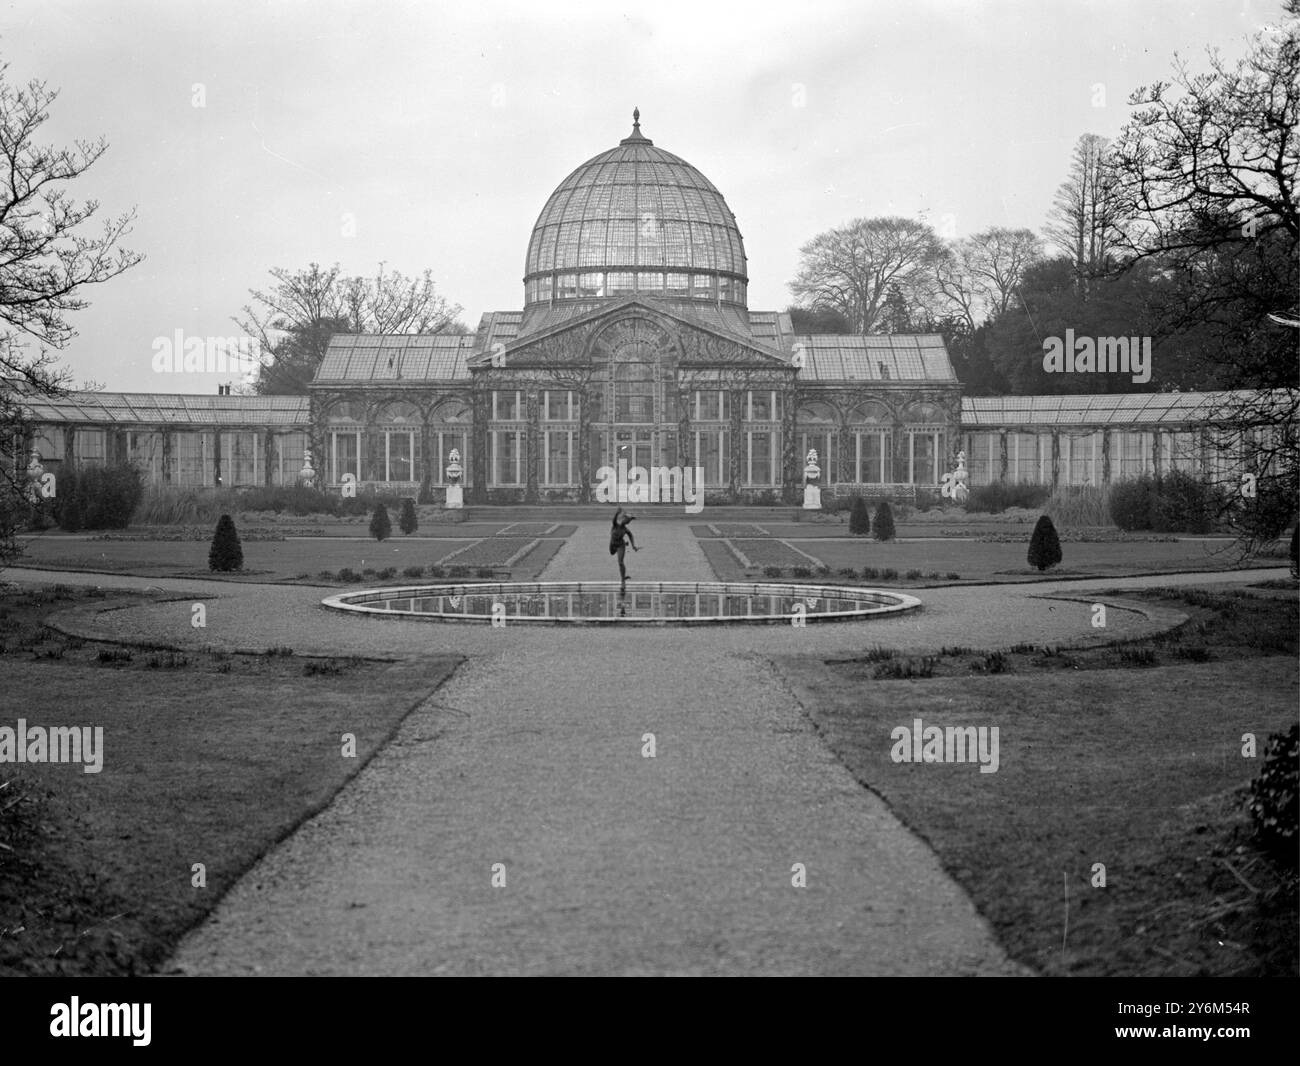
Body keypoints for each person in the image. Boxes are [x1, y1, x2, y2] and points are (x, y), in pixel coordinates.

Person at [609, 507, 638, 583]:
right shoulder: (616, 525)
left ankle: (623, 580)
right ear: (623, 519)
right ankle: (624, 543)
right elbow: (614, 520)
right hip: (612, 544)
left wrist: (633, 545)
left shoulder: (625, 529)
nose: (626, 522)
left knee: (620, 562)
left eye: (628, 521)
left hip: (620, 545)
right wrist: (617, 513)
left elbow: (631, 535)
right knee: (612, 553)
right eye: (626, 520)